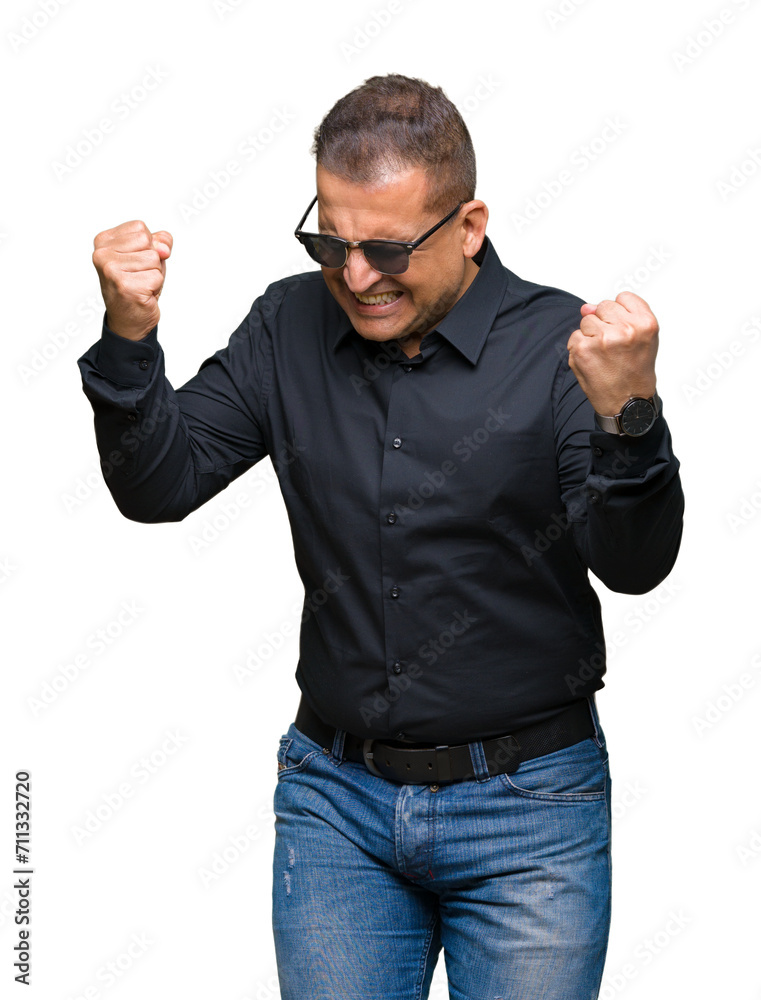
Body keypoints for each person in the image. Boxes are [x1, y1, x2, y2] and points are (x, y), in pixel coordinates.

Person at [77, 73, 684, 1000]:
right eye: (332, 241)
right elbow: (160, 485)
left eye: (388, 250)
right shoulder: (287, 323)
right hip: (337, 806)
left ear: (468, 226)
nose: (355, 278)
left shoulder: (564, 350)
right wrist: (128, 336)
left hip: (530, 815)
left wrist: (629, 416)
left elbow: (634, 568)